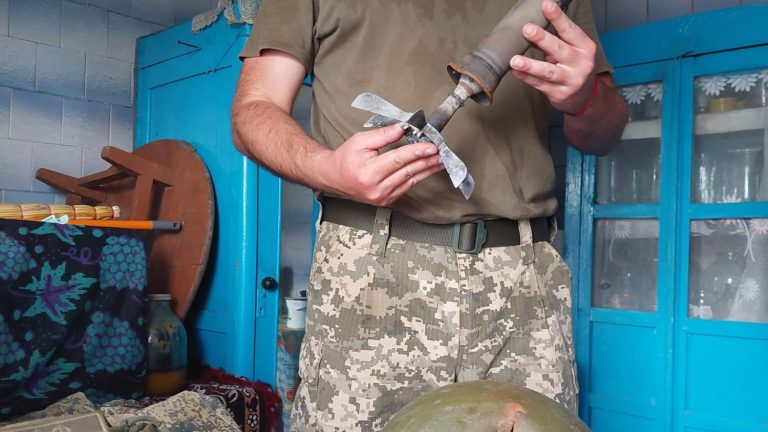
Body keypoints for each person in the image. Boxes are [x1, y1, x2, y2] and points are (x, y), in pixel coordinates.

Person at [232, 0, 628, 431]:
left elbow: (603, 131)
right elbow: (254, 110)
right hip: (370, 271)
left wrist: (584, 97)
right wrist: (328, 170)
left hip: (521, 277)